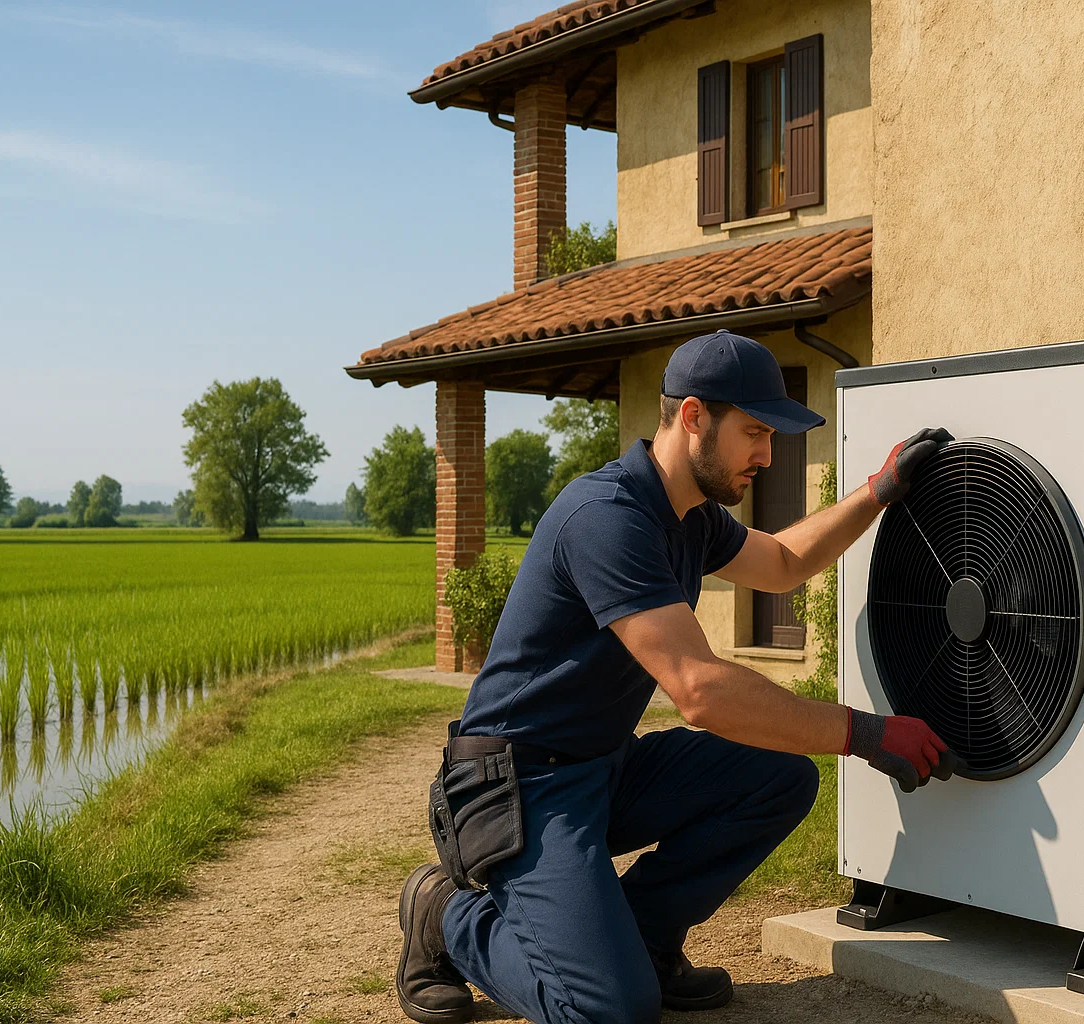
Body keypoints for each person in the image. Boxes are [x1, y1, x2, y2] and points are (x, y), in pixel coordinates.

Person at [396, 330, 958, 1024]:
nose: (767, 454)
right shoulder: (607, 516)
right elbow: (699, 690)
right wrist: (866, 734)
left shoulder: (689, 519)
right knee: (608, 1011)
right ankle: (446, 917)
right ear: (694, 417)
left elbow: (781, 561)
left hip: (601, 770)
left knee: (779, 777)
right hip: (517, 789)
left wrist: (878, 492)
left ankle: (644, 941)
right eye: (755, 432)